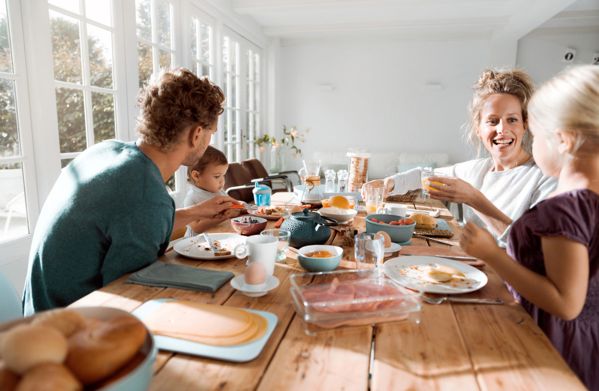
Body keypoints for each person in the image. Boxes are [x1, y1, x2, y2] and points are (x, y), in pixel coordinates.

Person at [23, 68, 238, 314]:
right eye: (210, 133)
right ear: (197, 133)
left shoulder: (105, 151)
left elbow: (124, 223)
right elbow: (132, 298)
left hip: (36, 316)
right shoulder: (145, 195)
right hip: (68, 334)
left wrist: (194, 212)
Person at [460, 65, 599, 390]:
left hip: (552, 350)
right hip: (587, 346)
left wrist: (491, 254)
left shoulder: (563, 209)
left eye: (534, 133)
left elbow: (566, 302)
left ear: (562, 140)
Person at [363, 69, 556, 245]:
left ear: (525, 125)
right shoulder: (478, 169)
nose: (502, 130)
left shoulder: (543, 178)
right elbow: (425, 175)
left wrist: (474, 199)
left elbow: (531, 248)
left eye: (512, 120)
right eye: (492, 121)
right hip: (465, 267)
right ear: (478, 129)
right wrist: (387, 183)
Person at [183, 145, 241, 236]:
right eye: (217, 176)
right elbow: (196, 227)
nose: (222, 181)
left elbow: (233, 205)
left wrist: (240, 207)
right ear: (196, 176)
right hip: (197, 243)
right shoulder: (192, 198)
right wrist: (224, 216)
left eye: (223, 175)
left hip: (219, 236)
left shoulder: (220, 191)